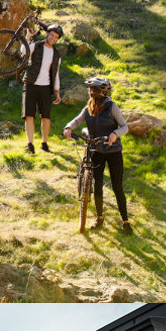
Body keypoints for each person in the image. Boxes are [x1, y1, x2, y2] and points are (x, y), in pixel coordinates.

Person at [63, 75, 132, 234]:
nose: (90, 92)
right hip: (96, 150)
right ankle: (99, 218)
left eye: (92, 89)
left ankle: (125, 220)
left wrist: (115, 134)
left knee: (117, 186)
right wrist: (68, 128)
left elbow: (124, 127)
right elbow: (76, 121)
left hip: (113, 151)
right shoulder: (88, 107)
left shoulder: (112, 107)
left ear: (100, 92)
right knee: (98, 185)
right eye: (90, 89)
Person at [21, 23, 63, 154]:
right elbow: (23, 50)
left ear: (57, 39)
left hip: (46, 88)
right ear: (47, 34)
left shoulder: (57, 55)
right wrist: (28, 36)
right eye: (51, 35)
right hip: (30, 84)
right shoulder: (36, 45)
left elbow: (56, 74)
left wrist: (57, 92)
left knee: (46, 117)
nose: (53, 38)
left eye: (56, 37)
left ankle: (44, 143)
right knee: (29, 115)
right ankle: (30, 144)